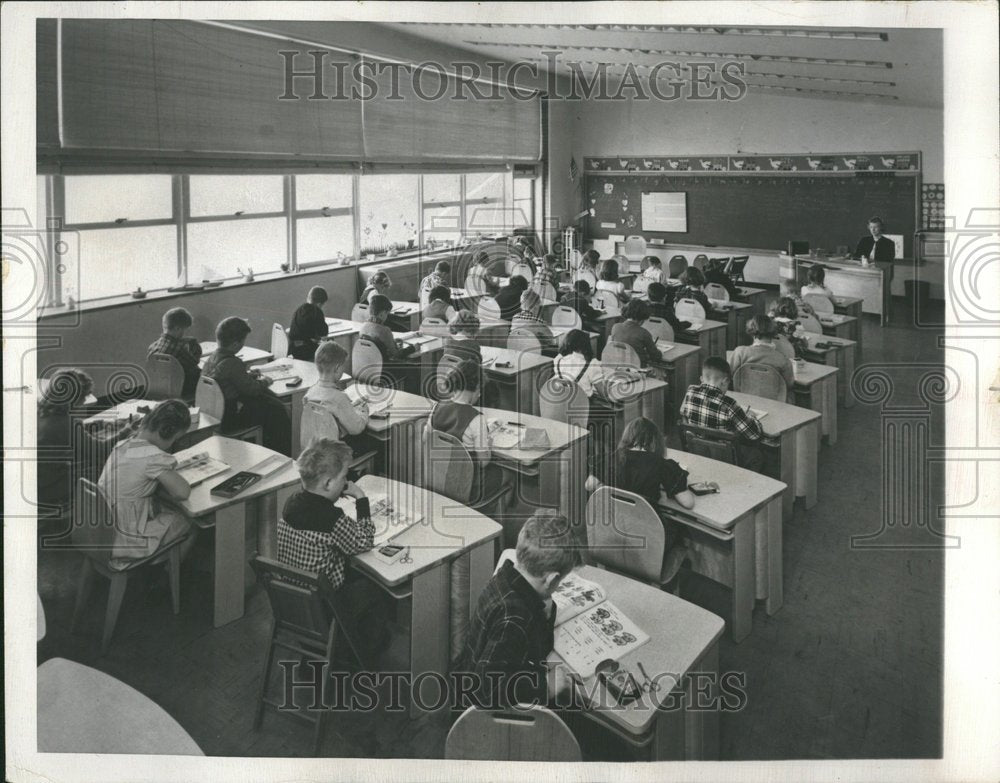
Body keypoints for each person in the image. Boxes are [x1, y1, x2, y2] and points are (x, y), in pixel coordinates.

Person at [452, 510, 581, 710]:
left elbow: (537, 647)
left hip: (471, 683)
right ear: (551, 579)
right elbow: (486, 690)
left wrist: (545, 613)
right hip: (480, 715)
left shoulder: (506, 577)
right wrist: (545, 688)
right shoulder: (514, 617)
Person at [278, 437, 387, 659]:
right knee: (376, 588)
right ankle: (364, 648)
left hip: (295, 602)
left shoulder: (291, 503)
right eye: (345, 476)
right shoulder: (332, 519)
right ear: (328, 483)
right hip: (326, 605)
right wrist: (361, 498)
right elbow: (364, 541)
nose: (347, 481)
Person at [98, 400, 196, 566]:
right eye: (175, 439)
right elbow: (182, 492)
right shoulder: (153, 457)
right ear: (167, 432)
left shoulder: (123, 444)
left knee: (162, 506)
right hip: (123, 539)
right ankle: (163, 574)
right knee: (188, 520)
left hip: (100, 528)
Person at [37, 368, 133, 515]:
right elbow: (101, 449)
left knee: (83, 460)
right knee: (101, 465)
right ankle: (103, 511)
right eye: (83, 397)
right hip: (47, 488)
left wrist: (101, 423)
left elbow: (74, 431)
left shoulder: (41, 410)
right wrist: (126, 431)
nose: (84, 401)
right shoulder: (67, 423)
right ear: (73, 398)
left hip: (38, 479)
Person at [201, 317, 292, 455]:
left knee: (271, 404)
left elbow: (229, 379)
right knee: (277, 410)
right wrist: (265, 381)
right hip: (230, 417)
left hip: (214, 413)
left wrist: (247, 375)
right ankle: (280, 452)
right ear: (237, 343)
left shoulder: (212, 358)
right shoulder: (233, 363)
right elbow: (252, 390)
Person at [429, 359, 504, 507]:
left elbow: (427, 440)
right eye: (480, 389)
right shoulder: (477, 419)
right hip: (467, 485)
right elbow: (483, 462)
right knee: (502, 474)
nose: (480, 394)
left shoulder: (436, 407)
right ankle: (490, 517)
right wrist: (488, 444)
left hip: (438, 477)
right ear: (476, 387)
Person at [680, 356, 769, 473]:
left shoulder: (690, 391)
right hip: (724, 456)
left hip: (697, 450)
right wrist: (752, 417)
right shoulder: (729, 404)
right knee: (757, 455)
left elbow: (682, 412)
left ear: (702, 378)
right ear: (725, 381)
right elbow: (754, 435)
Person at [304, 341, 370, 450]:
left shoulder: (310, 393)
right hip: (338, 451)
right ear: (337, 368)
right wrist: (363, 411)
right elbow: (357, 428)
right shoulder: (339, 398)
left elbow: (332, 411)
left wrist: (352, 405)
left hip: (318, 448)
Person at [730, 315, 795, 402]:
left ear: (751, 332)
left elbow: (731, 375)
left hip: (744, 400)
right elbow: (789, 384)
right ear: (773, 333)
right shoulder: (782, 359)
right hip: (775, 403)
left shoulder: (739, 352)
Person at [147, 307, 202, 399]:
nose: (184, 333)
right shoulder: (179, 349)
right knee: (199, 373)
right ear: (177, 328)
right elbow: (194, 362)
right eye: (184, 330)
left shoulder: (153, 346)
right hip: (179, 388)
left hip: (159, 387)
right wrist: (196, 349)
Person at [359, 294, 417, 364]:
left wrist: (392, 342)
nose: (387, 316)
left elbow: (379, 344)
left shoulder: (363, 327)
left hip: (371, 364)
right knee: (414, 363)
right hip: (385, 367)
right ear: (382, 313)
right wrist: (413, 348)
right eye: (387, 314)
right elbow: (397, 354)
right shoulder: (385, 331)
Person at [608, 299, 662, 368]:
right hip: (638, 369)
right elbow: (656, 357)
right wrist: (660, 353)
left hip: (619, 367)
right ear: (643, 317)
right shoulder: (644, 333)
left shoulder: (615, 327)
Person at [553, 329, 605, 399]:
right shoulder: (592, 364)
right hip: (582, 406)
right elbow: (603, 393)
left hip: (560, 402)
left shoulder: (558, 360)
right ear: (586, 345)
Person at [287, 285, 330, 361]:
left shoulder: (299, 309)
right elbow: (323, 332)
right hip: (305, 350)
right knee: (328, 352)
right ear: (319, 304)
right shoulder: (316, 311)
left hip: (293, 348)